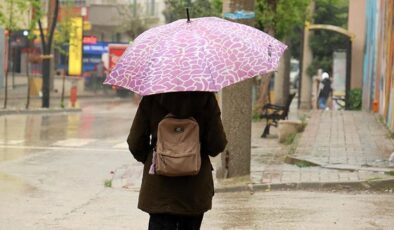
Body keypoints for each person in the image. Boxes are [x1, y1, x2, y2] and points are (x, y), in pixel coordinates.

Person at [127, 91, 227, 230]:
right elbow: (217, 145)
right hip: (194, 189)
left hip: (160, 188)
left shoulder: (153, 96)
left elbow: (135, 142)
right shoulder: (206, 97)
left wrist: (154, 160)